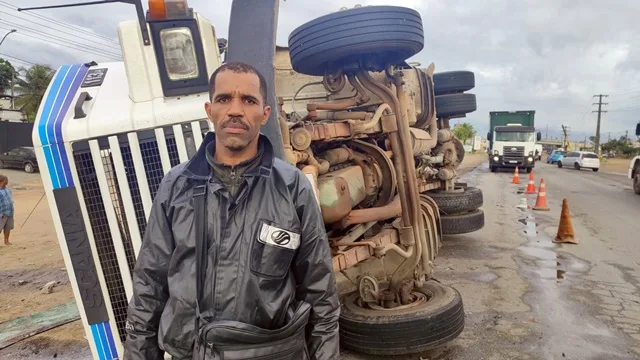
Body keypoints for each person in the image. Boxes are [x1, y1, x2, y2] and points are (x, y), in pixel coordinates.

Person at [124, 62, 340, 360]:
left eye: (248, 100)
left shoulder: (293, 188)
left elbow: (320, 293)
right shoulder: (177, 186)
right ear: (209, 109)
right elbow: (149, 285)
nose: (235, 110)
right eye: (224, 99)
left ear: (265, 114)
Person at [0, 174, 14, 246]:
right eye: (5, 180)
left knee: (8, 228)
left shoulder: (7, 189)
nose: (7, 181)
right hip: (1, 213)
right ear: (1, 181)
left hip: (10, 212)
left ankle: (6, 241)